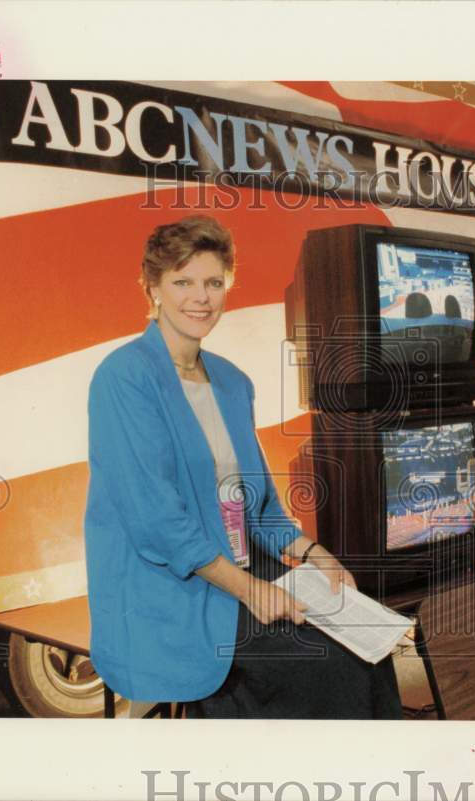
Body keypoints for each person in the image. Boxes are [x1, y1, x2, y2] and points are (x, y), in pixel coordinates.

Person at [84, 215, 403, 719]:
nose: (200, 298)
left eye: (213, 282)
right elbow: (157, 524)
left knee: (368, 652)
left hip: (242, 567)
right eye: (182, 282)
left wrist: (316, 553)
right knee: (327, 667)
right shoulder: (123, 377)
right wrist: (250, 589)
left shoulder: (233, 382)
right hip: (171, 586)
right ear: (153, 288)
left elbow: (260, 509)